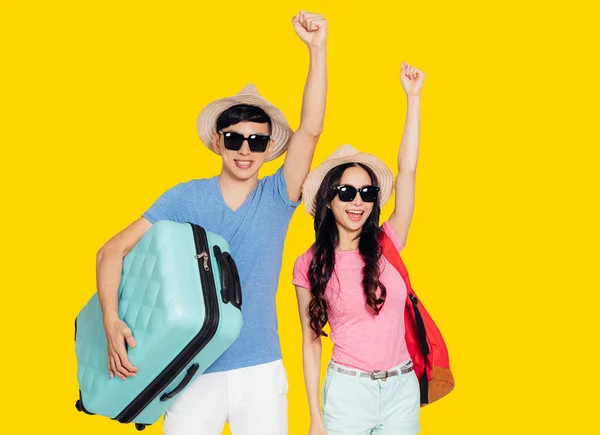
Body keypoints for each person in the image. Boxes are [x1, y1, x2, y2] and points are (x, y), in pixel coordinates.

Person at [95, 10, 328, 435]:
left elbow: (311, 130)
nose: (245, 149)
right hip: (190, 366)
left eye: (256, 140)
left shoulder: (278, 196)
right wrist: (111, 322)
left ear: (270, 145)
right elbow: (110, 251)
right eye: (235, 138)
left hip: (260, 368)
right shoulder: (185, 197)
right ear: (218, 140)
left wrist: (317, 49)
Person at [292, 62, 425, 435]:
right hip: (347, 394)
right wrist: (315, 416)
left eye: (366, 193)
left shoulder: (387, 242)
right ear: (328, 199)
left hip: (401, 389)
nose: (357, 202)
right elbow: (310, 342)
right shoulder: (308, 263)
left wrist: (412, 99)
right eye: (346, 192)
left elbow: (408, 170)